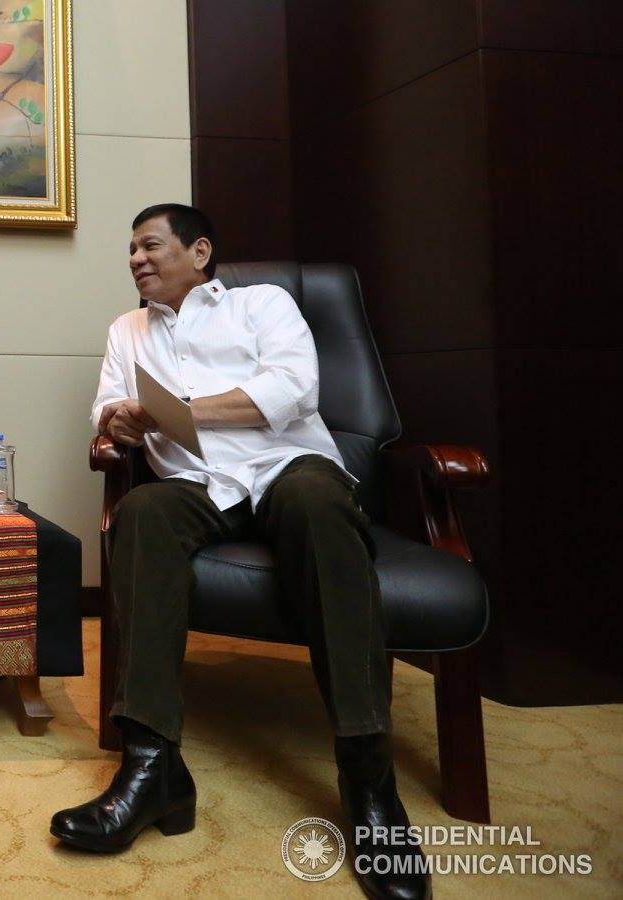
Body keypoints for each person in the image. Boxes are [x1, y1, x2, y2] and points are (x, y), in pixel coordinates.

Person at [51, 203, 429, 900]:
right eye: (130, 250)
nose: (135, 259)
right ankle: (151, 764)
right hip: (196, 482)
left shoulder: (263, 304)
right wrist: (125, 419)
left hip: (287, 465)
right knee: (141, 512)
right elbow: (106, 412)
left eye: (150, 245)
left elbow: (291, 388)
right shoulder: (127, 329)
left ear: (199, 252)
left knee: (320, 503)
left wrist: (180, 410)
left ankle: (369, 778)